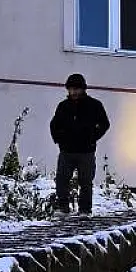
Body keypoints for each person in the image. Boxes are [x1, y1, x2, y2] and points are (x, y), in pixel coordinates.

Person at [50, 74, 110, 215]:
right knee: (62, 180)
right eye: (71, 89)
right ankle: (63, 207)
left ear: (83, 89)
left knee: (86, 181)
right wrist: (60, 139)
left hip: (86, 151)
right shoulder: (63, 106)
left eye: (77, 89)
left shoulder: (94, 105)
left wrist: (92, 137)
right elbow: (54, 125)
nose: (74, 92)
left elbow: (104, 124)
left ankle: (85, 210)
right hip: (67, 151)